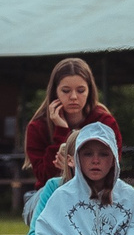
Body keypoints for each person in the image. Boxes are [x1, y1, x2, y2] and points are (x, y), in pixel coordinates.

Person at [22, 57, 118, 192]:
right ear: (55, 91)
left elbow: (113, 168)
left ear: (89, 91)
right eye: (66, 91)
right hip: (50, 193)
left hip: (96, 191)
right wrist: (61, 131)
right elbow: (44, 177)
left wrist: (74, 166)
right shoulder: (38, 127)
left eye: (81, 90)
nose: (73, 97)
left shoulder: (104, 122)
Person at [3, 137, 75, 235]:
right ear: (69, 160)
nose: (94, 161)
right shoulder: (54, 186)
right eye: (86, 155)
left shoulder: (109, 190)